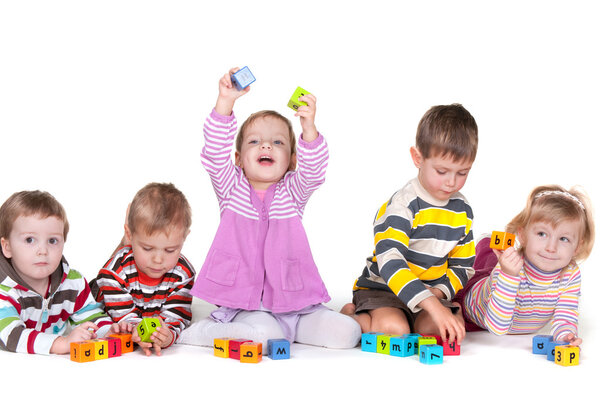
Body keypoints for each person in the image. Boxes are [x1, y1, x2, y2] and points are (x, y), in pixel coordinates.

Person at [178, 68, 361, 350]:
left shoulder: (293, 191)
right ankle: (204, 332)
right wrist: (225, 101)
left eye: (278, 142)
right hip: (247, 304)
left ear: (291, 161)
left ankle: (290, 330)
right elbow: (214, 153)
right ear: (239, 158)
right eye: (255, 141)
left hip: (296, 303)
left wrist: (308, 127)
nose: (266, 144)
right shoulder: (230, 187)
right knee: (265, 338)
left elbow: (314, 172)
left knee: (348, 334)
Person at [341, 104, 478, 345]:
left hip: (429, 295)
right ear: (418, 158)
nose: (451, 182)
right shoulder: (403, 205)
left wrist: (437, 295)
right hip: (384, 290)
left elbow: (463, 265)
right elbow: (390, 263)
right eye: (442, 171)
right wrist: (433, 305)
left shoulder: (463, 211)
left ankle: (424, 314)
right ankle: (353, 316)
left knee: (438, 332)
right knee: (395, 329)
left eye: (462, 173)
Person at [455, 185, 594, 346]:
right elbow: (497, 327)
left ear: (577, 246)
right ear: (522, 235)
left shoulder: (570, 273)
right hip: (472, 305)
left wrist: (565, 336)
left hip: (508, 281)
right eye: (542, 234)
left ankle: (492, 245)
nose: (551, 247)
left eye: (564, 239)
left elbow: (566, 313)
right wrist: (508, 276)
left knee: (501, 260)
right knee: (490, 261)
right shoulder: (507, 270)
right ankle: (487, 242)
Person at [0, 190, 118, 355]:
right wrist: (61, 343)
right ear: (7, 247)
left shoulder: (72, 283)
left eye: (52, 241)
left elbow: (90, 316)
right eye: (29, 240)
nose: (43, 250)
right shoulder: (4, 291)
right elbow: (11, 337)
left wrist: (109, 331)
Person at [90, 182, 196, 356]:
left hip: (141, 298)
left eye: (170, 250)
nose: (158, 259)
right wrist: (137, 331)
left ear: (184, 238)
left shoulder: (183, 273)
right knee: (107, 273)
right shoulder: (113, 274)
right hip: (101, 294)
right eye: (148, 248)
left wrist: (167, 335)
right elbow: (122, 318)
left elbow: (177, 317)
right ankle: (126, 242)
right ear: (132, 236)